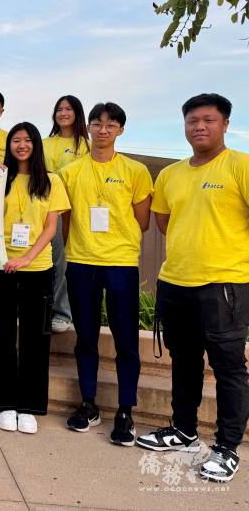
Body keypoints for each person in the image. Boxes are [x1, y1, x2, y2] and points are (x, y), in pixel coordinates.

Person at [137, 93, 249, 483]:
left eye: (208, 120)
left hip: (224, 284)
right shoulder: (171, 174)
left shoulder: (240, 166)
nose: (199, 127)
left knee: (229, 368)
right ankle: (184, 430)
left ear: (225, 124)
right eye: (192, 121)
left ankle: (227, 447)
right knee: (184, 361)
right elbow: (164, 221)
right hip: (176, 281)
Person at [59, 102, 152, 446]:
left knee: (126, 339)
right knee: (85, 337)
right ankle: (88, 404)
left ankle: (125, 411)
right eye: (97, 123)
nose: (103, 129)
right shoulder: (71, 171)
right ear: (88, 127)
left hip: (120, 263)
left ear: (120, 130)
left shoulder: (135, 170)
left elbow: (143, 220)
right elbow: (66, 221)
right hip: (81, 261)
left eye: (111, 124)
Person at [0, 123, 69, 434]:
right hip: (2, 265)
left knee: (35, 338)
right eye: (15, 141)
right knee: (2, 335)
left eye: (27, 140)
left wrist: (27, 258)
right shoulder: (0, 179)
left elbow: (51, 228)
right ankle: (5, 403)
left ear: (36, 145)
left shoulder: (51, 181)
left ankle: (30, 406)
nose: (21, 145)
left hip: (37, 268)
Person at [43, 96, 90, 334]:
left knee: (62, 262)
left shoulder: (86, 146)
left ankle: (62, 313)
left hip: (70, 210)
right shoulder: (44, 142)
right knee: (41, 260)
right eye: (59, 109)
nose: (63, 113)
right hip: (43, 208)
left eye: (68, 109)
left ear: (77, 113)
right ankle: (41, 309)